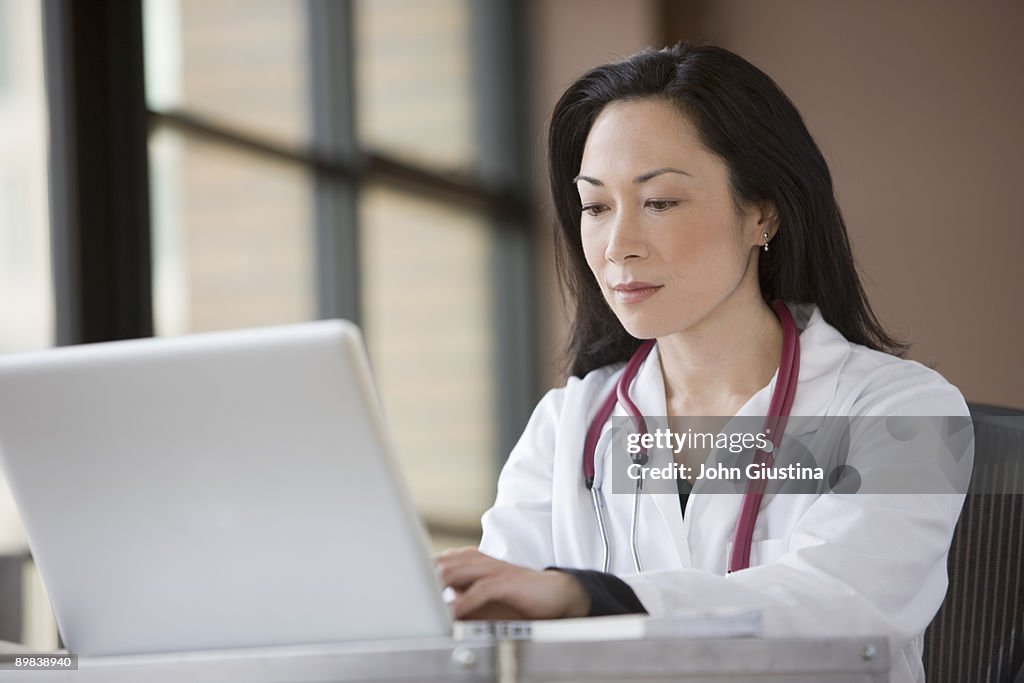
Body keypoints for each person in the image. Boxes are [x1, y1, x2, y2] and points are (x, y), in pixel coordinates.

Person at [435, 42, 972, 683]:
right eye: (596, 207)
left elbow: (847, 609)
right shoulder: (567, 426)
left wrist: (588, 599)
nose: (618, 246)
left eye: (659, 202)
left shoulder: (904, 408)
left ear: (762, 213)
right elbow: (497, 632)